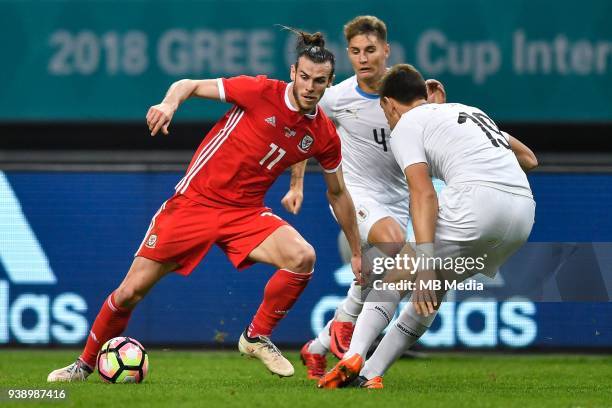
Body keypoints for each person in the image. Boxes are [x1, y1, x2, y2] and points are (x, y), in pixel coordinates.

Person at [47, 30, 362, 382]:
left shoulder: (323, 133)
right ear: (292, 72)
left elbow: (338, 193)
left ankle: (255, 336)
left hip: (245, 212)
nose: (309, 86)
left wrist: (356, 250)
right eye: (304, 77)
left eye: (319, 81)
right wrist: (169, 104)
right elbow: (188, 84)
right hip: (195, 203)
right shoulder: (259, 91)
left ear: (329, 83)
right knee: (130, 292)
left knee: (303, 257)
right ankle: (84, 365)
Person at [318, 64, 537, 389]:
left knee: (396, 276)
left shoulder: (406, 126)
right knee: (433, 293)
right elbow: (529, 159)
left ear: (389, 104)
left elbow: (423, 195)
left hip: (476, 204)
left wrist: (424, 262)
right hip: (522, 214)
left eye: (386, 112)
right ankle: (370, 374)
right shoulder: (467, 110)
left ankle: (355, 353)